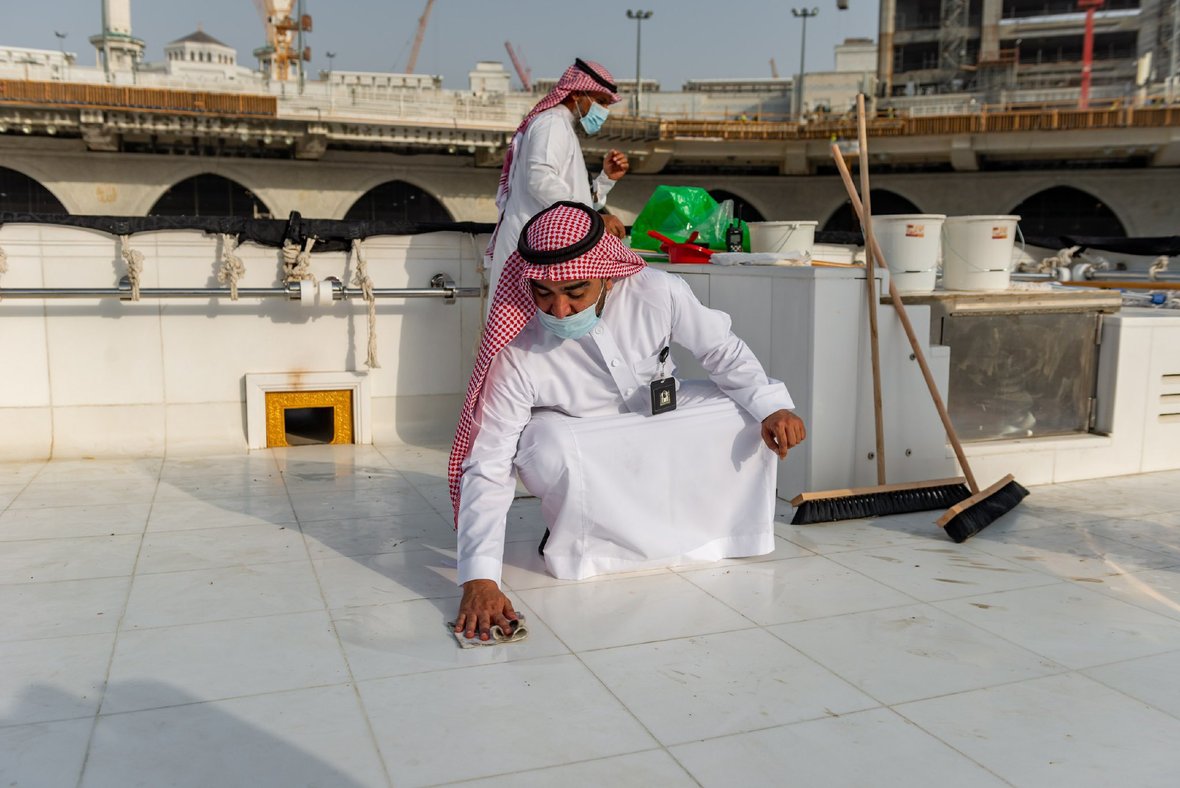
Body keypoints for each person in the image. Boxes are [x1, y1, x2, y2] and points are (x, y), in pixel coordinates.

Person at [449, 202, 806, 642]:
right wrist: (479, 577)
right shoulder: (517, 345)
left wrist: (772, 407)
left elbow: (720, 350)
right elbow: (489, 460)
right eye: (543, 293)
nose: (558, 309)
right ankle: (584, 543)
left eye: (575, 292)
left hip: (655, 416)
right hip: (581, 434)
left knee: (744, 412)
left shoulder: (658, 291)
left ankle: (713, 536)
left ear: (608, 275)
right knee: (547, 446)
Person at [485, 58, 630, 304]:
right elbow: (540, 179)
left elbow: (573, 198)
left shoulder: (562, 127)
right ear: (577, 93)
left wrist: (606, 179)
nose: (604, 111)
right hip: (530, 251)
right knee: (523, 324)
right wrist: (594, 219)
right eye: (601, 101)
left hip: (544, 251)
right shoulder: (552, 123)